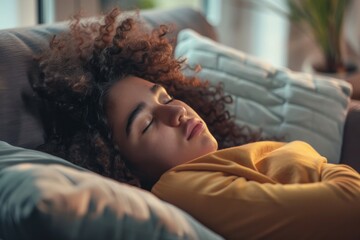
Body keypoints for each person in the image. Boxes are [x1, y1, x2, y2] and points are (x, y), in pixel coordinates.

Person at [30, 8, 360, 239]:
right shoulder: (179, 188)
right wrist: (318, 163)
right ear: (122, 168)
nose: (176, 113)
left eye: (164, 97)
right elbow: (351, 204)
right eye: (146, 124)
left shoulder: (214, 165)